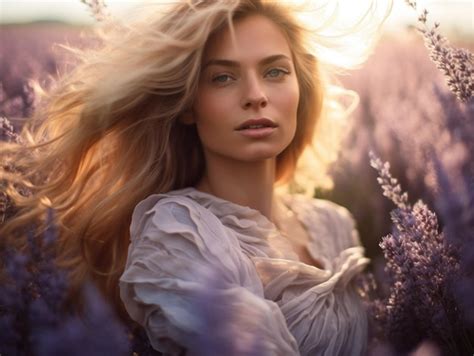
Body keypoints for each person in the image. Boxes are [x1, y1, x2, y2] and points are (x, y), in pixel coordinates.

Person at [0, 0, 389, 354]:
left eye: (275, 71)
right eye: (222, 77)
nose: (255, 95)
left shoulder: (333, 224)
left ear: (300, 87)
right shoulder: (177, 233)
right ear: (187, 104)